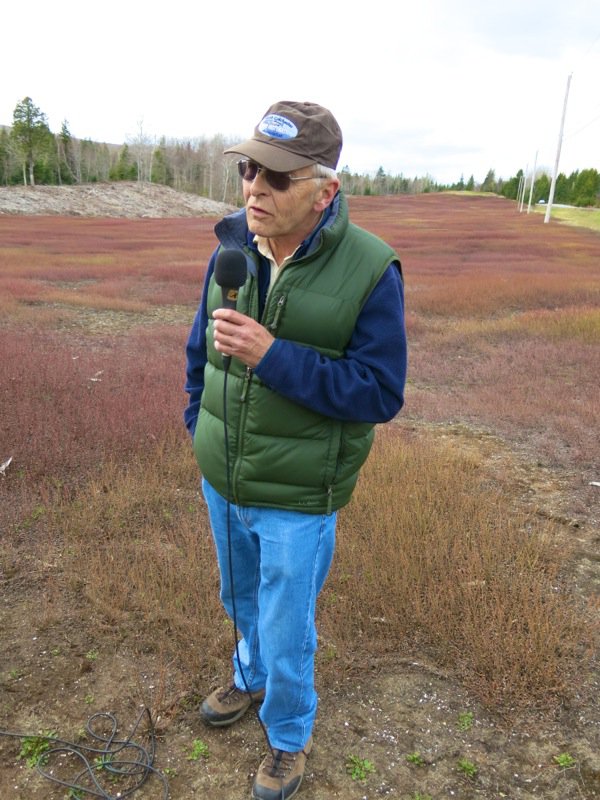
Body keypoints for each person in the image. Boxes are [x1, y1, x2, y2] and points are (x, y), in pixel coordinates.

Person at [184, 100, 407, 800]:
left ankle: (287, 735)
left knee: (287, 625)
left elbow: (379, 391)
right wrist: (199, 429)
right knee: (239, 596)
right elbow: (198, 353)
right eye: (249, 171)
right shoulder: (231, 248)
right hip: (223, 478)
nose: (254, 188)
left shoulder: (371, 268)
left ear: (324, 191)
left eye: (276, 177)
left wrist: (273, 356)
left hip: (298, 498)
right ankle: (248, 677)